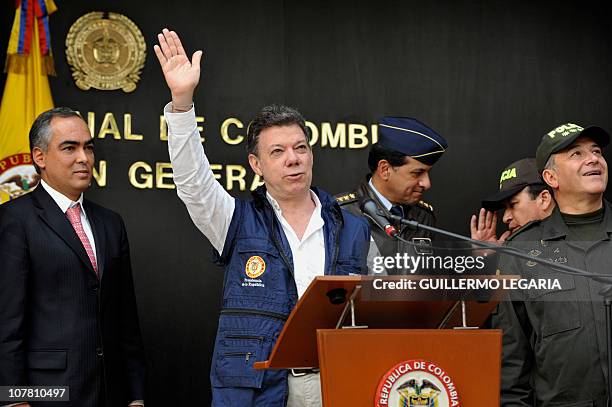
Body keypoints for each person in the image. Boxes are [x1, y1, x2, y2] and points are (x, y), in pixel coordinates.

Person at [154, 29, 369, 407]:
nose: (293, 158)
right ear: (256, 164)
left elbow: (372, 311)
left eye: (300, 147)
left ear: (312, 155)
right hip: (259, 386)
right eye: (279, 151)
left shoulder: (352, 226)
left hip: (335, 382)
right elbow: (192, 183)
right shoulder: (235, 219)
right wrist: (182, 103)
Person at [0, 108, 146, 406]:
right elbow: (6, 324)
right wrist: (14, 399)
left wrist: (136, 396)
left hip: (110, 392)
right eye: (70, 147)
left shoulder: (110, 223)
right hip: (47, 395)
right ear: (39, 157)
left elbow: (126, 319)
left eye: (88, 147)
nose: (84, 158)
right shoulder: (14, 219)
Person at [494, 123, 611, 406]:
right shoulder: (521, 252)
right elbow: (511, 360)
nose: (593, 158)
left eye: (596, 151)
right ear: (551, 177)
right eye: (576, 154)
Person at [336, 117, 447, 275]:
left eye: (428, 173)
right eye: (418, 173)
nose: (427, 183)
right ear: (385, 169)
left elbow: (437, 287)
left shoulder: (424, 217)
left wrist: (481, 256)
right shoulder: (341, 213)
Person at [470, 158, 555, 245]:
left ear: (544, 199)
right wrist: (490, 256)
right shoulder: (511, 251)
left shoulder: (568, 247)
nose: (505, 218)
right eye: (505, 207)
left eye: (513, 204)